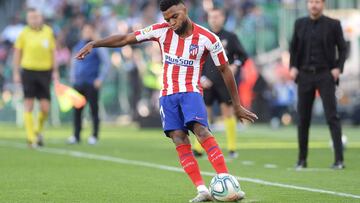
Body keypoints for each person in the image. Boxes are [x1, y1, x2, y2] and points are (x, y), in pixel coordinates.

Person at [75, 0, 257, 202]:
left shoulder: (208, 38)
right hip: (167, 96)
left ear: (184, 10)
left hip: (191, 93)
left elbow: (225, 70)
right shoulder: (160, 31)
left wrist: (237, 105)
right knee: (179, 138)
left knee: (201, 130)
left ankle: (226, 180)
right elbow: (126, 38)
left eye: (174, 17)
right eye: (167, 19)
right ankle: (202, 190)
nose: (171, 22)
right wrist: (94, 43)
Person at [289, 0, 347, 169]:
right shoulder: (299, 24)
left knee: (332, 117)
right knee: (302, 119)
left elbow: (343, 48)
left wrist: (338, 68)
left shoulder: (334, 24)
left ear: (323, 4)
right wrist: (293, 66)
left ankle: (339, 160)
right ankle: (301, 160)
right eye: (311, 2)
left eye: (317, 2)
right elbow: (294, 48)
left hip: (325, 75)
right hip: (305, 75)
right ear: (308, 4)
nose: (314, 5)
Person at [192, 8, 248, 159]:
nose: (214, 20)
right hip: (206, 82)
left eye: (217, 17)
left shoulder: (230, 37)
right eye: (211, 17)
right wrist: (201, 77)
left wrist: (236, 65)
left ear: (223, 18)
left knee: (227, 113)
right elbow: (196, 58)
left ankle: (232, 148)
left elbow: (243, 55)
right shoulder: (203, 36)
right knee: (203, 115)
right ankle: (198, 148)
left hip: (224, 81)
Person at [13, 8, 59, 148]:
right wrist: (16, 72)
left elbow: (53, 52)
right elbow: (17, 53)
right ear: (28, 19)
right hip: (28, 71)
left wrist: (55, 70)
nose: (34, 20)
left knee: (45, 107)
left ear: (41, 18)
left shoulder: (48, 32)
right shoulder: (23, 33)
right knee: (29, 104)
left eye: (37, 17)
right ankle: (30, 137)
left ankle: (37, 130)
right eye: (31, 17)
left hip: (45, 72)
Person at [68, 23, 110, 145]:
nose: (87, 32)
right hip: (79, 83)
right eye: (85, 30)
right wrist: (73, 78)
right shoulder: (78, 46)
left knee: (94, 110)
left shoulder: (96, 46)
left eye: (89, 30)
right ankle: (76, 136)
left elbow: (106, 63)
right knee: (77, 111)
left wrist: (100, 79)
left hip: (92, 83)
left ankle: (94, 136)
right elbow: (74, 63)